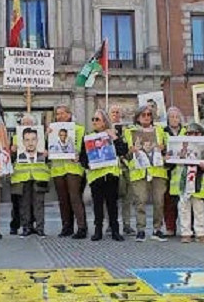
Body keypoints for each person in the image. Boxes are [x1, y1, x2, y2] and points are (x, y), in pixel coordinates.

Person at [80, 109, 127, 242]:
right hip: (95, 176)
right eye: (93, 119)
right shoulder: (88, 137)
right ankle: (98, 230)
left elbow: (122, 150)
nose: (94, 122)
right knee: (97, 204)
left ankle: (115, 230)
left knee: (112, 204)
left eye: (97, 119)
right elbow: (83, 157)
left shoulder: (112, 134)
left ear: (104, 122)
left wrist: (115, 138)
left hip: (111, 174)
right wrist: (88, 164)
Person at [125, 104, 169, 242]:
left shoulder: (160, 130)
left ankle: (157, 229)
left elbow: (169, 150)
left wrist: (163, 148)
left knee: (159, 201)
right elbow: (124, 154)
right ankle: (141, 230)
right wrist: (130, 152)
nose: (146, 117)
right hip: (139, 171)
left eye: (149, 114)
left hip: (157, 170)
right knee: (140, 201)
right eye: (143, 115)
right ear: (137, 117)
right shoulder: (129, 132)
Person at [169, 123, 204, 243]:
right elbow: (171, 164)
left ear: (201, 134)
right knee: (183, 208)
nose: (193, 135)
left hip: (198, 182)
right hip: (183, 182)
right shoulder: (180, 146)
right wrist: (168, 157)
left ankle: (201, 233)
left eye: (196, 133)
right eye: (189, 133)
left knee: (199, 208)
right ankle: (186, 233)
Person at [50, 104, 87, 239]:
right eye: (57, 114)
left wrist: (80, 156)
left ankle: (82, 227)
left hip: (74, 168)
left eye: (62, 113)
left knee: (75, 198)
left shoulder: (79, 129)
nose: (59, 116)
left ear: (69, 115)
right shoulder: (52, 130)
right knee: (63, 199)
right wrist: (47, 136)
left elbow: (85, 149)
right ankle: (67, 226)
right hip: (58, 169)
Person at [11, 117, 49, 238]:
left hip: (39, 176)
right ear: (23, 141)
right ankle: (26, 228)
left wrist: (47, 154)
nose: (30, 142)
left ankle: (40, 228)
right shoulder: (14, 139)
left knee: (39, 204)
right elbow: (9, 159)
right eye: (24, 123)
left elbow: (53, 157)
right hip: (22, 177)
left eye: (29, 123)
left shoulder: (44, 140)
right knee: (24, 204)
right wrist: (12, 152)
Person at [109, 105, 135, 235]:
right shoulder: (105, 131)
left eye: (117, 112)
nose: (115, 114)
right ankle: (110, 224)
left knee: (127, 198)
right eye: (113, 112)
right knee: (110, 198)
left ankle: (127, 224)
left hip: (126, 167)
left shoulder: (127, 130)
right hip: (112, 168)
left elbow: (130, 148)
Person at [163, 107, 186, 237]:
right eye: (171, 117)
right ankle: (170, 227)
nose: (174, 119)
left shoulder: (186, 131)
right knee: (169, 201)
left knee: (185, 201)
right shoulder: (163, 132)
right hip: (169, 170)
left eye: (177, 117)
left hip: (183, 170)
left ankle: (186, 227)